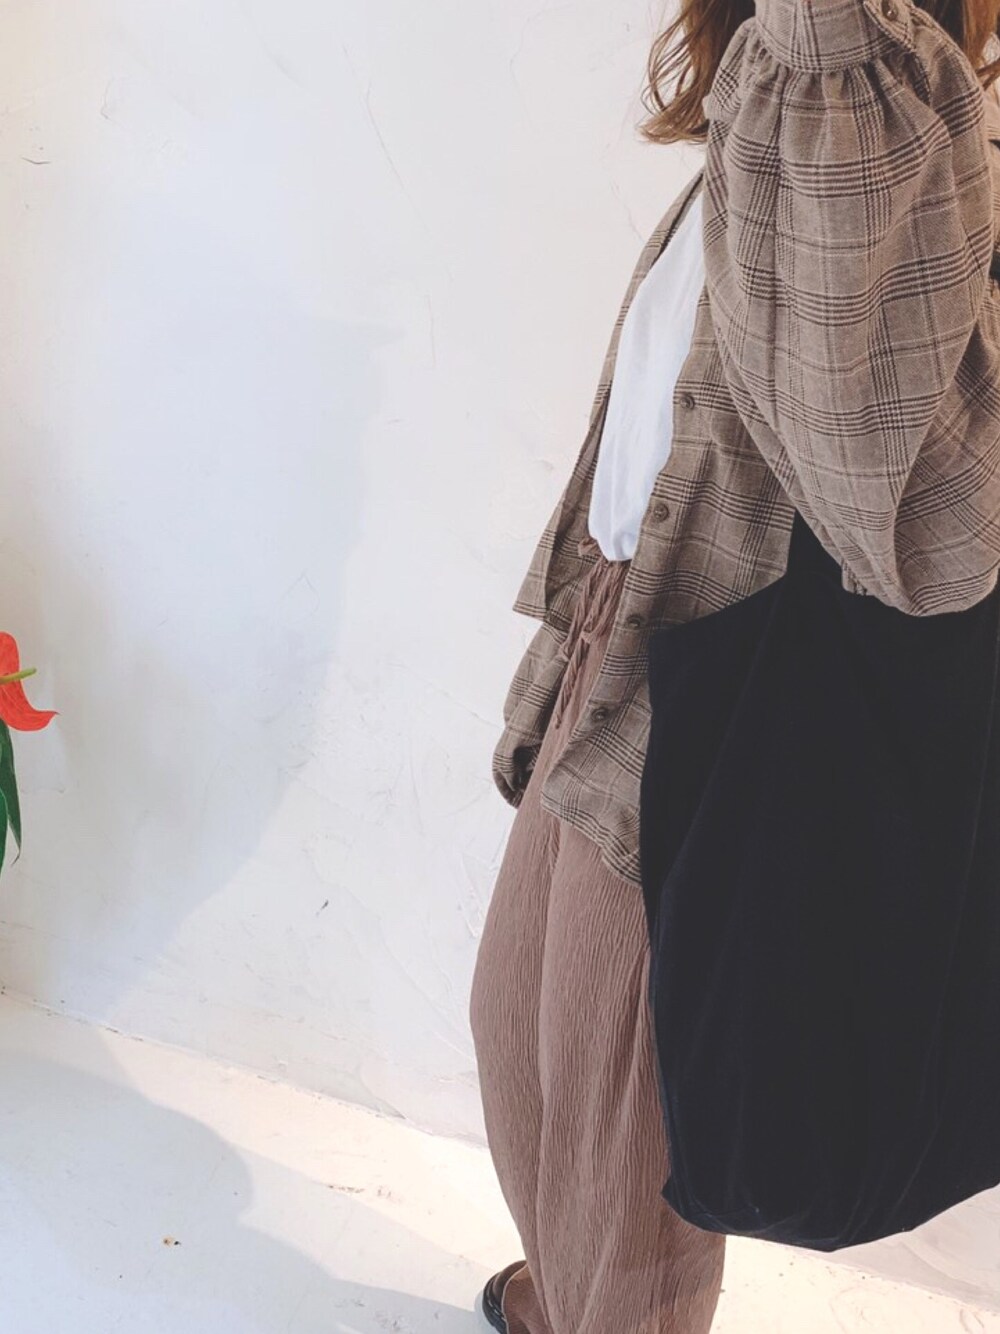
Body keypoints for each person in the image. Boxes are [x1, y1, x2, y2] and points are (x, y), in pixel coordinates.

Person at [469, 0, 1000, 1329]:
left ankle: (613, 1311)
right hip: (621, 619)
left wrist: (826, 45)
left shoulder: (865, 99)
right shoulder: (787, 82)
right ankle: (572, 1296)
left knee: (623, 1126)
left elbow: (874, 470)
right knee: (519, 1031)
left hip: (718, 674)